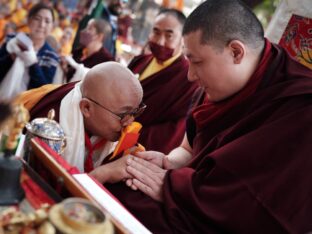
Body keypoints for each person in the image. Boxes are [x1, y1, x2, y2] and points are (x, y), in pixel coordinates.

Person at [99, 0, 312, 233]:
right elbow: (188, 149)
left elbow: (256, 209)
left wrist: (173, 186)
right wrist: (170, 162)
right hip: (192, 194)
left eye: (197, 62)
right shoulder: (218, 87)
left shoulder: (300, 109)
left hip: (219, 218)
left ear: (236, 52)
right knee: (118, 186)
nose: (190, 75)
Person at [24, 62, 144, 174]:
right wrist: (104, 174)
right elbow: (51, 189)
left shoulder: (104, 113)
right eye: (123, 115)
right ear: (86, 108)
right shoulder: (49, 129)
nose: (130, 122)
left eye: (135, 112)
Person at [128, 8, 198, 154]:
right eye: (156, 32)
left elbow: (174, 130)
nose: (160, 41)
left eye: (169, 35)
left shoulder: (188, 78)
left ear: (183, 39)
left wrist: (126, 134)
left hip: (137, 149)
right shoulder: (139, 61)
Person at [0, 3, 59, 100]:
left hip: (25, 109)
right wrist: (10, 58)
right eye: (37, 19)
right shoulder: (12, 40)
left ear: (52, 27)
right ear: (29, 20)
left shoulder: (51, 56)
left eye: (47, 21)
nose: (42, 25)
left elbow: (43, 90)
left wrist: (33, 64)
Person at [61, 18, 114, 83]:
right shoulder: (77, 52)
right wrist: (65, 68)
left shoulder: (106, 61)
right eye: (86, 27)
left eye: (89, 28)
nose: (84, 31)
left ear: (99, 36)